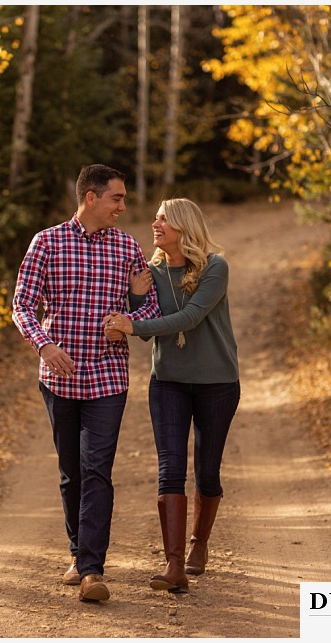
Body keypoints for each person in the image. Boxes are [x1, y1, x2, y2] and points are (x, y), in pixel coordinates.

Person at [12, 164, 160, 602]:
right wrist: (44, 346)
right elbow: (22, 305)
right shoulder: (48, 242)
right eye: (117, 198)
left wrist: (128, 319)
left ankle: (93, 569)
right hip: (58, 379)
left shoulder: (127, 248)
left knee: (97, 469)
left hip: (108, 377)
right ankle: (78, 554)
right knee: (70, 471)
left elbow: (152, 306)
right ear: (91, 197)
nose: (123, 207)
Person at [103, 197, 240, 595]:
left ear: (182, 226)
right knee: (170, 468)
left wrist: (130, 325)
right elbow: (144, 324)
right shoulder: (150, 272)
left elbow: (191, 317)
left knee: (208, 470)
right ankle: (174, 564)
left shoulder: (215, 267)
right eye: (157, 218)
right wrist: (132, 299)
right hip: (169, 382)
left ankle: (199, 543)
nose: (155, 223)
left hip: (217, 381)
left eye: (163, 218)